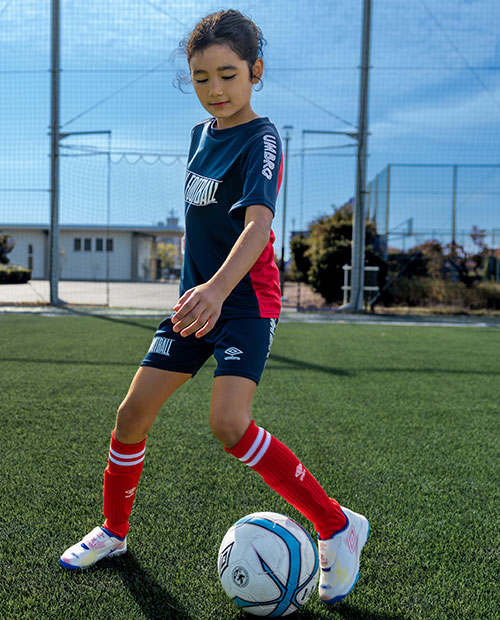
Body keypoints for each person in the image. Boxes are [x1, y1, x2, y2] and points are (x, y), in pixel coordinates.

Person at [60, 9, 368, 605]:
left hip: (244, 302)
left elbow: (257, 228)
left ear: (256, 71)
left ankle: (337, 526)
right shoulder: (200, 136)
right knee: (131, 415)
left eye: (228, 74)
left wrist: (218, 289)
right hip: (196, 303)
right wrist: (196, 288)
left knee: (229, 424)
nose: (215, 89)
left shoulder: (263, 138)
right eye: (201, 78)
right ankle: (114, 532)